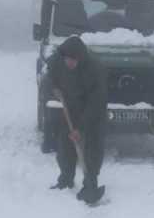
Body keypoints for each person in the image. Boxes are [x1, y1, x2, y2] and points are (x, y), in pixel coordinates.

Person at [46, 36, 108, 204]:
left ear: (80, 58)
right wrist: (54, 89)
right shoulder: (56, 62)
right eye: (67, 59)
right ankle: (65, 179)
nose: (70, 63)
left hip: (93, 111)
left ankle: (90, 183)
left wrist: (80, 128)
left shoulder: (94, 69)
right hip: (70, 108)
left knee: (92, 147)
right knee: (65, 145)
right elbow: (48, 79)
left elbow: (96, 103)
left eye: (73, 60)